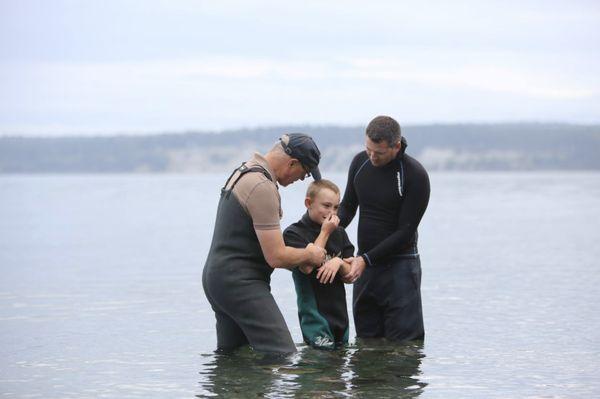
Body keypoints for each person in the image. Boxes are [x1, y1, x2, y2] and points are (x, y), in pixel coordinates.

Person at [202, 133, 327, 354]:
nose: (301, 180)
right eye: (304, 173)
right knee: (282, 354)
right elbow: (276, 256)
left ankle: (233, 390)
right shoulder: (261, 186)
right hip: (240, 283)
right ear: (292, 163)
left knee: (233, 357)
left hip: (218, 279)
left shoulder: (246, 170)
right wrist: (309, 255)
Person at [338, 115, 430, 342]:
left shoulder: (414, 175)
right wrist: (325, 229)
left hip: (401, 267)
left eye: (378, 153)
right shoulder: (360, 163)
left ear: (396, 146)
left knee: (403, 349)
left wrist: (365, 259)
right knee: (366, 344)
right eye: (368, 149)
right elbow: (348, 208)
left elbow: (405, 232)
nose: (371, 156)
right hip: (366, 269)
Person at [283, 180, 355, 350]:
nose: (332, 212)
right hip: (314, 317)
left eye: (336, 207)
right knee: (320, 365)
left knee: (339, 368)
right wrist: (325, 232)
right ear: (308, 203)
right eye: (326, 206)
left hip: (340, 317)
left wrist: (337, 262)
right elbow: (307, 266)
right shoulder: (294, 233)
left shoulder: (340, 233)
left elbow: (351, 274)